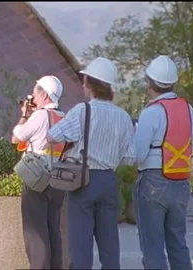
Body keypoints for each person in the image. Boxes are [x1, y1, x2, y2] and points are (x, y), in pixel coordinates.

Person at [46, 57, 135, 269]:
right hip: (109, 180)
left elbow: (52, 136)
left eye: (84, 81)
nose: (83, 85)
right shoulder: (123, 116)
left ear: (91, 84)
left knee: (80, 244)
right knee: (109, 242)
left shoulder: (82, 111)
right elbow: (131, 157)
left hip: (83, 180)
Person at [133, 55, 193, 270]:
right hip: (181, 183)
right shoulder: (189, 110)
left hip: (153, 181)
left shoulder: (151, 112)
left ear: (149, 83)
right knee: (178, 244)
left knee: (153, 248)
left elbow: (138, 154)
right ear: (173, 82)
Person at [11, 75, 67, 269]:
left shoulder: (41, 115)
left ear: (44, 95)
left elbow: (16, 138)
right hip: (59, 179)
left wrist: (25, 114)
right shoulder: (63, 116)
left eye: (35, 92)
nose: (32, 96)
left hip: (37, 177)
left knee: (35, 231)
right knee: (53, 229)